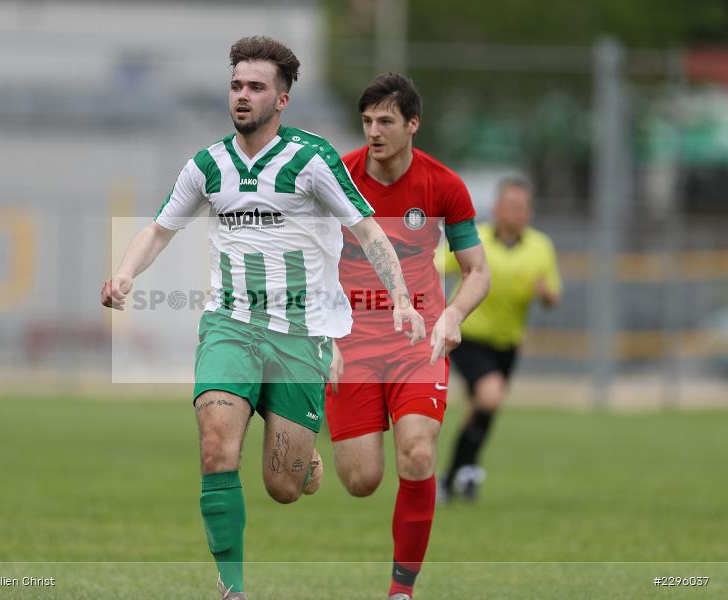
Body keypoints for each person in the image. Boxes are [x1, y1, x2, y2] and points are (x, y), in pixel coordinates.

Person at [101, 38, 426, 600]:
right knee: (215, 448)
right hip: (231, 326)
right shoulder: (208, 164)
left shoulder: (312, 159)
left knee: (282, 485)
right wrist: (126, 273)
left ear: (282, 99)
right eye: (236, 86)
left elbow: (368, 231)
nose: (242, 96)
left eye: (255, 87)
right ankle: (232, 590)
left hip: (301, 336)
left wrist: (399, 295)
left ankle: (305, 464)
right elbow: (159, 228)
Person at [325, 73, 491, 600]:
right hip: (349, 346)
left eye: (386, 121)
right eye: (367, 121)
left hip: (416, 343)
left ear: (413, 124)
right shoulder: (336, 178)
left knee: (417, 455)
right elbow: (302, 255)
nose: (374, 132)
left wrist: (454, 314)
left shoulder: (443, 184)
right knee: (361, 480)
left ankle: (401, 591)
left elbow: (478, 270)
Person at [440, 176, 561, 502]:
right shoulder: (474, 239)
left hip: (507, 343)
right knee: (490, 396)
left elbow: (553, 296)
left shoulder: (540, 247)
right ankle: (462, 473)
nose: (516, 212)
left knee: (482, 408)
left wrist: (546, 295)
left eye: (522, 207)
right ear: (497, 208)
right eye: (510, 206)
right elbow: (435, 264)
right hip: (469, 335)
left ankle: (455, 476)